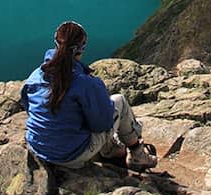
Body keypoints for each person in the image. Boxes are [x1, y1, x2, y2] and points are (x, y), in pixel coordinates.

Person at [20, 21, 158, 171]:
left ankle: (112, 151)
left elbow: (28, 108)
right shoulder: (85, 83)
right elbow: (102, 125)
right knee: (119, 102)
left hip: (38, 148)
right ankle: (138, 156)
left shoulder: (36, 76)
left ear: (56, 43)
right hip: (70, 156)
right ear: (82, 48)